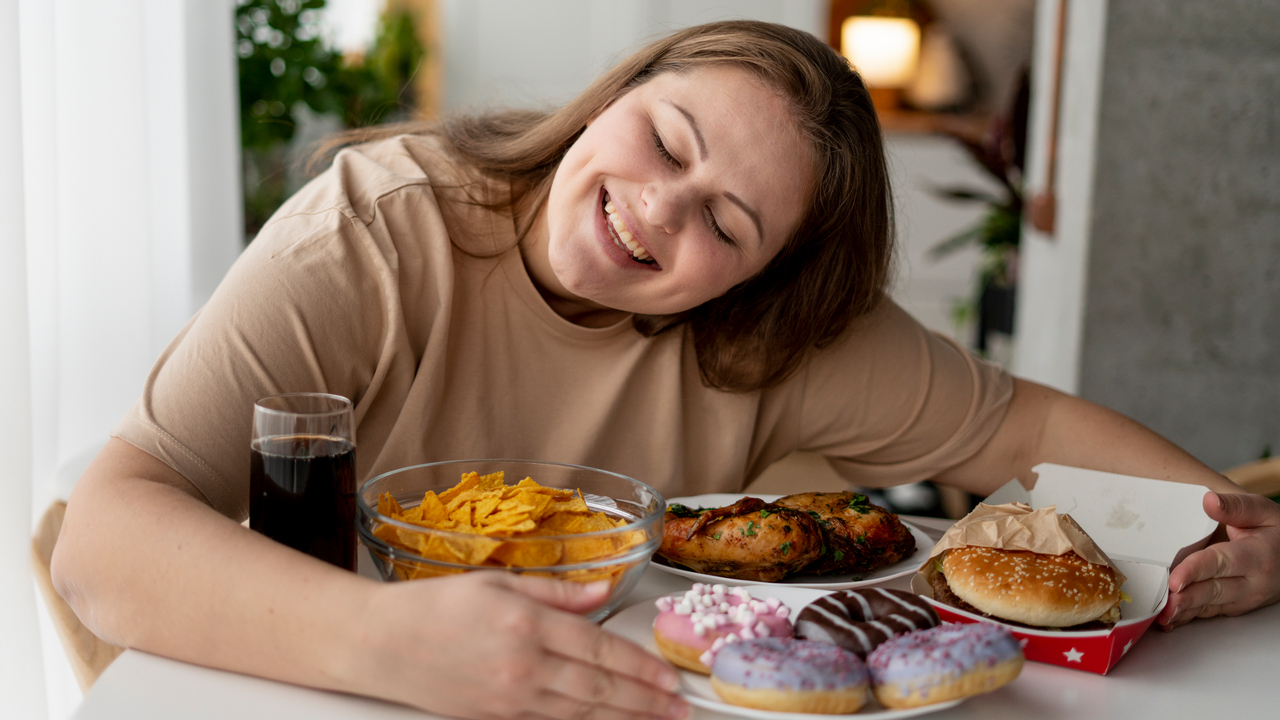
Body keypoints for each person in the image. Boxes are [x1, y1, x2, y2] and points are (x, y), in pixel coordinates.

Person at [52, 20, 1278, 720]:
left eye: (728, 226)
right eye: (664, 139)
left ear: (757, 283)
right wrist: (386, 642)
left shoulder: (779, 337)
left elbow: (1028, 425)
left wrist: (1238, 528)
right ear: (612, 98)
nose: (656, 208)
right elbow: (100, 541)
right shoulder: (376, 231)